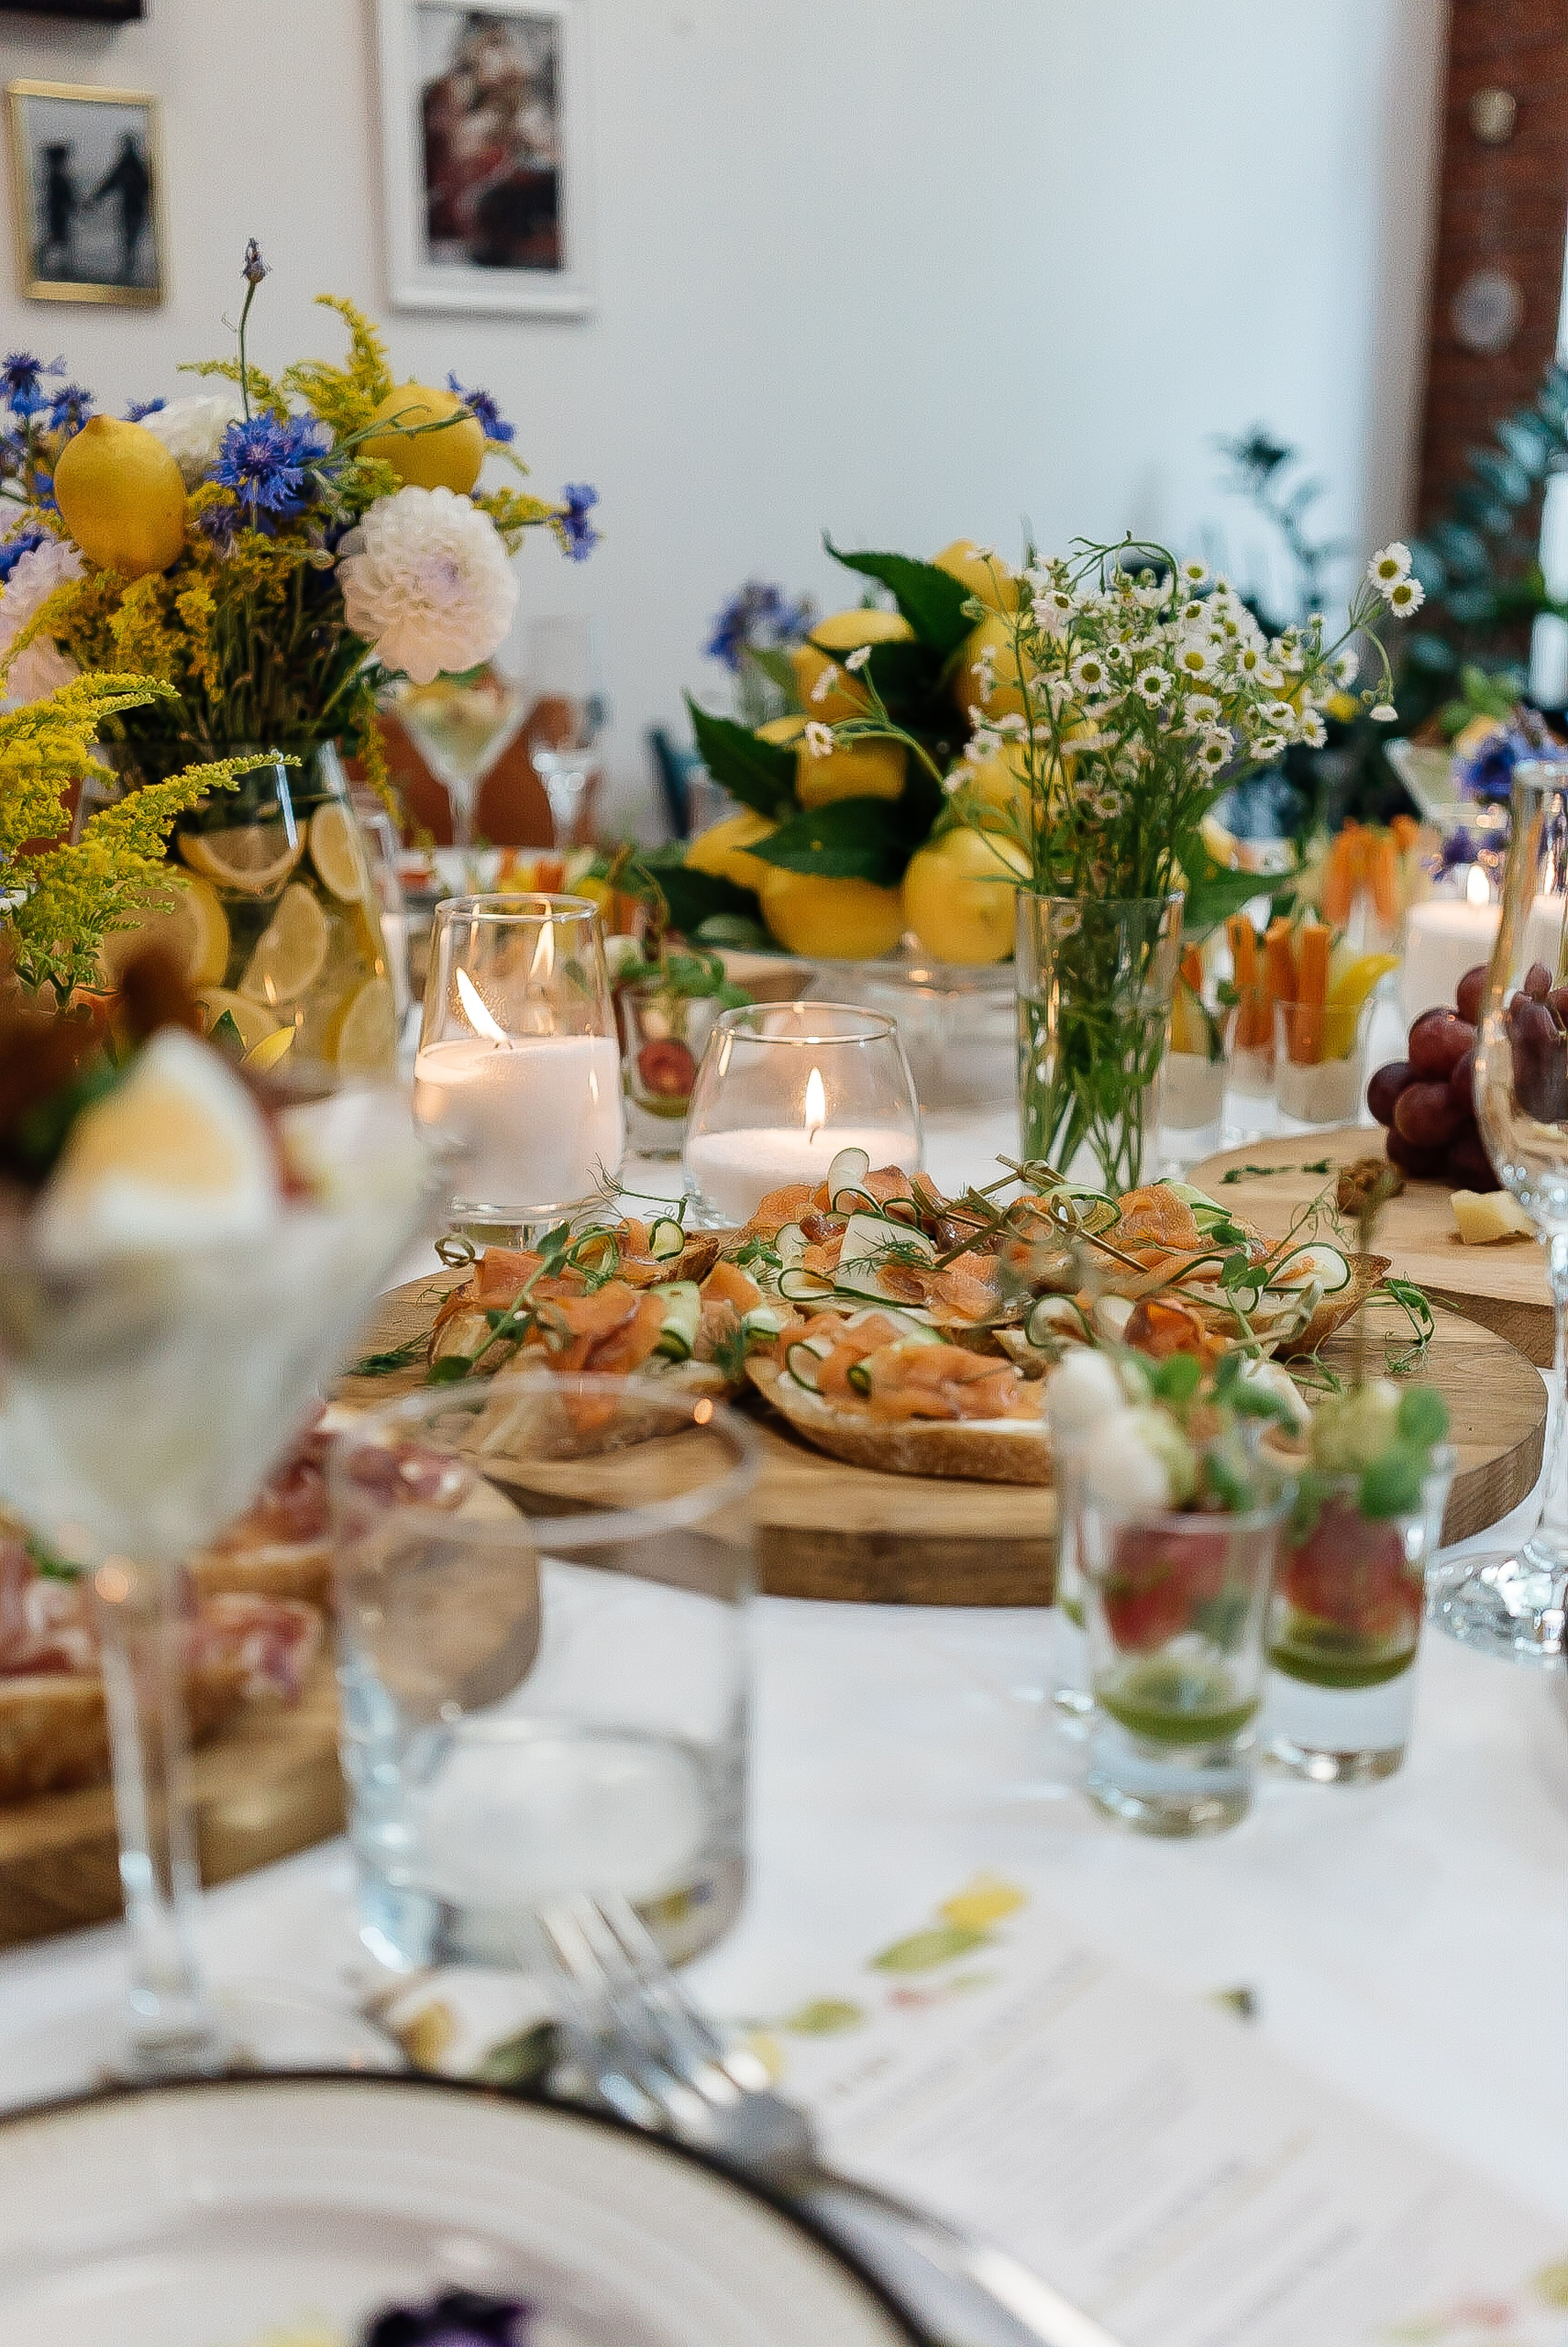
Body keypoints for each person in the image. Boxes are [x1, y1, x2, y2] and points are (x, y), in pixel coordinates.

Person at [87, 132, 151, 284]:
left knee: (129, 237)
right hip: (134, 207)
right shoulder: (136, 165)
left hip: (132, 207)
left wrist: (94, 199)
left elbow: (110, 183)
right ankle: (129, 269)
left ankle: (128, 270)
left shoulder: (129, 165)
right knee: (130, 238)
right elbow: (112, 183)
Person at [35, 144, 77, 277]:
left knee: (58, 238)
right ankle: (65, 268)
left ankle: (63, 266)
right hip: (58, 213)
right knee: (58, 238)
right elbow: (65, 197)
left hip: (56, 212)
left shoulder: (55, 176)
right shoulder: (58, 177)